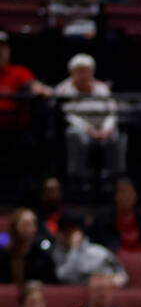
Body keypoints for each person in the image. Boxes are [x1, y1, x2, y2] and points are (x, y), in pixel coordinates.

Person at [54, 54, 126, 189]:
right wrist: (89, 129)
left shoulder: (101, 88)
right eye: (80, 71)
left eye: (87, 71)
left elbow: (112, 111)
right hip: (80, 129)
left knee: (117, 137)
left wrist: (107, 128)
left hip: (102, 128)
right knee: (75, 136)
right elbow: (69, 116)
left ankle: (113, 179)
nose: (84, 75)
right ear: (72, 72)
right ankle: (79, 179)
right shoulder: (64, 89)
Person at [0, 208, 57, 284]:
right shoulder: (4, 255)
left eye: (33, 223)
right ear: (15, 227)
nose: (31, 228)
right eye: (26, 224)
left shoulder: (42, 255)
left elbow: (51, 284)